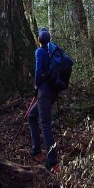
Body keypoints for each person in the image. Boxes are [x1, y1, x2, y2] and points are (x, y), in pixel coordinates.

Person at [28, 28, 60, 172]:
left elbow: (38, 71)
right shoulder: (53, 52)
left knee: (45, 125)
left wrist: (36, 86)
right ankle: (36, 151)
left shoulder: (40, 52)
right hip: (52, 92)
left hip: (44, 93)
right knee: (31, 116)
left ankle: (53, 162)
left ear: (39, 40)